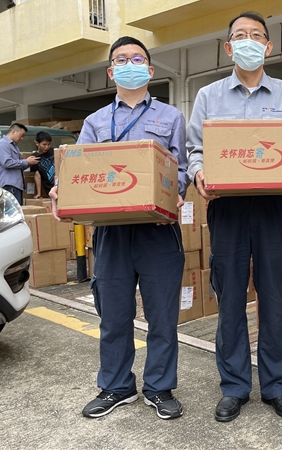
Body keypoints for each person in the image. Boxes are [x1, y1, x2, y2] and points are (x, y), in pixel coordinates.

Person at [50, 36, 189, 420]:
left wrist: (176, 193)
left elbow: (178, 169)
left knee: (162, 316)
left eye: (137, 59)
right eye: (122, 60)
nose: (130, 64)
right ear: (111, 72)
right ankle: (116, 386)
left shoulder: (171, 117)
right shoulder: (95, 122)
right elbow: (76, 168)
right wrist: (61, 189)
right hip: (111, 232)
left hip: (157, 230)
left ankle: (160, 387)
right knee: (113, 315)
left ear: (150, 70)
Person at [187, 12, 282, 422]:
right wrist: (199, 173)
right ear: (228, 47)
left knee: (274, 299)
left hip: (273, 206)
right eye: (240, 35)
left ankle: (276, 386)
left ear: (268, 46)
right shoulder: (208, 96)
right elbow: (195, 149)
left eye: (256, 35)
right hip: (228, 208)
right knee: (230, 299)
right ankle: (234, 386)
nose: (248, 41)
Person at [0, 123, 39, 206]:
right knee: (12, 211)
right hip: (8, 185)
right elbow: (7, 163)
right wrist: (26, 161)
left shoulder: (13, 146)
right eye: (21, 135)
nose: (22, 138)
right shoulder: (3, 144)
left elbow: (17, 166)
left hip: (15, 186)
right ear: (13, 131)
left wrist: (30, 162)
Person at [31, 131, 55, 199]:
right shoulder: (34, 157)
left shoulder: (54, 151)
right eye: (44, 144)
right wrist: (39, 193)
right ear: (37, 143)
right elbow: (37, 175)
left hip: (60, 186)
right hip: (50, 189)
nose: (46, 147)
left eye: (48, 144)